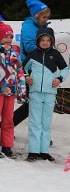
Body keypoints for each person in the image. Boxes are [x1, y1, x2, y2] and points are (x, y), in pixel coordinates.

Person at [0, 21, 27, 158]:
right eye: (6, 36)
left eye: (11, 37)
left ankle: (7, 146)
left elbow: (20, 72)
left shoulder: (15, 53)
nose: (9, 39)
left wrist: (22, 90)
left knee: (8, 120)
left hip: (10, 92)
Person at [24, 28, 68, 161]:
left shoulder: (56, 54)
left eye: (48, 40)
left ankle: (44, 151)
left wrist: (59, 79)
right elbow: (22, 68)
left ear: (52, 41)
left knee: (46, 123)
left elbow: (65, 68)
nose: (45, 42)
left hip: (50, 93)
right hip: (35, 93)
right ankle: (33, 151)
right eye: (42, 40)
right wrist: (26, 77)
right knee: (34, 122)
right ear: (38, 41)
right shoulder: (32, 54)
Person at [13, 0, 51, 126]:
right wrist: (48, 50)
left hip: (40, 67)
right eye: (44, 17)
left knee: (37, 103)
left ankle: (8, 127)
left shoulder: (42, 27)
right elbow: (29, 46)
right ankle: (7, 126)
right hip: (30, 67)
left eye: (47, 17)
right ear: (37, 15)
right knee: (33, 103)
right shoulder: (29, 26)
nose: (46, 19)